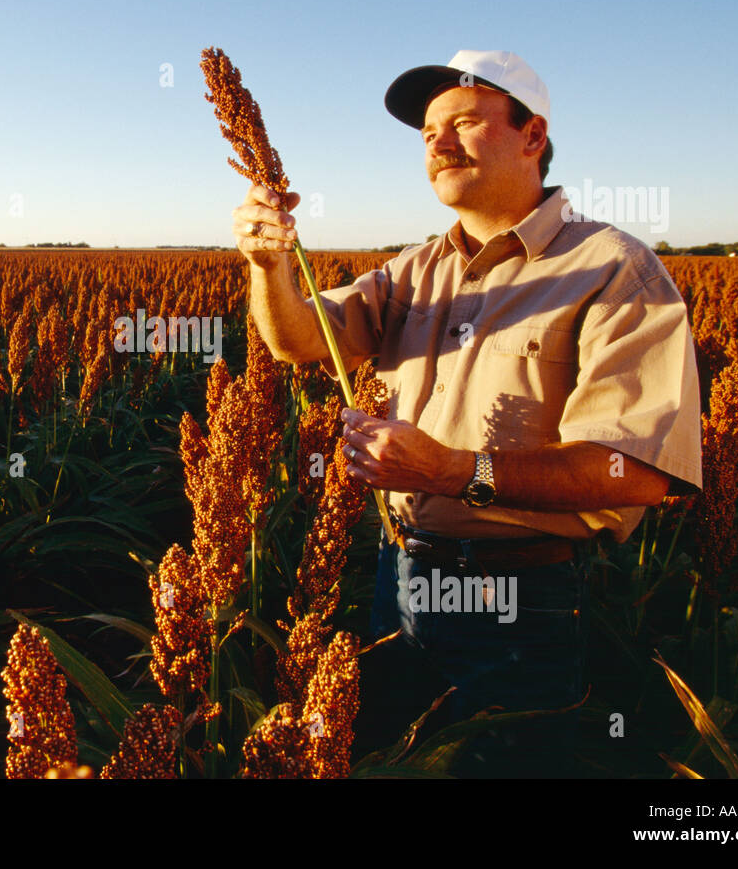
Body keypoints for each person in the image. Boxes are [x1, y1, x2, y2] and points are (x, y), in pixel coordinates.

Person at [232, 50, 703, 776]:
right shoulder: (415, 269)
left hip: (521, 601)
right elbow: (299, 339)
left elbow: (636, 471)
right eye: (427, 134)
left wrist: (454, 471)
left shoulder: (617, 269)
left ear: (533, 135)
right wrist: (269, 266)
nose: (440, 143)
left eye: (464, 123)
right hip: (399, 580)